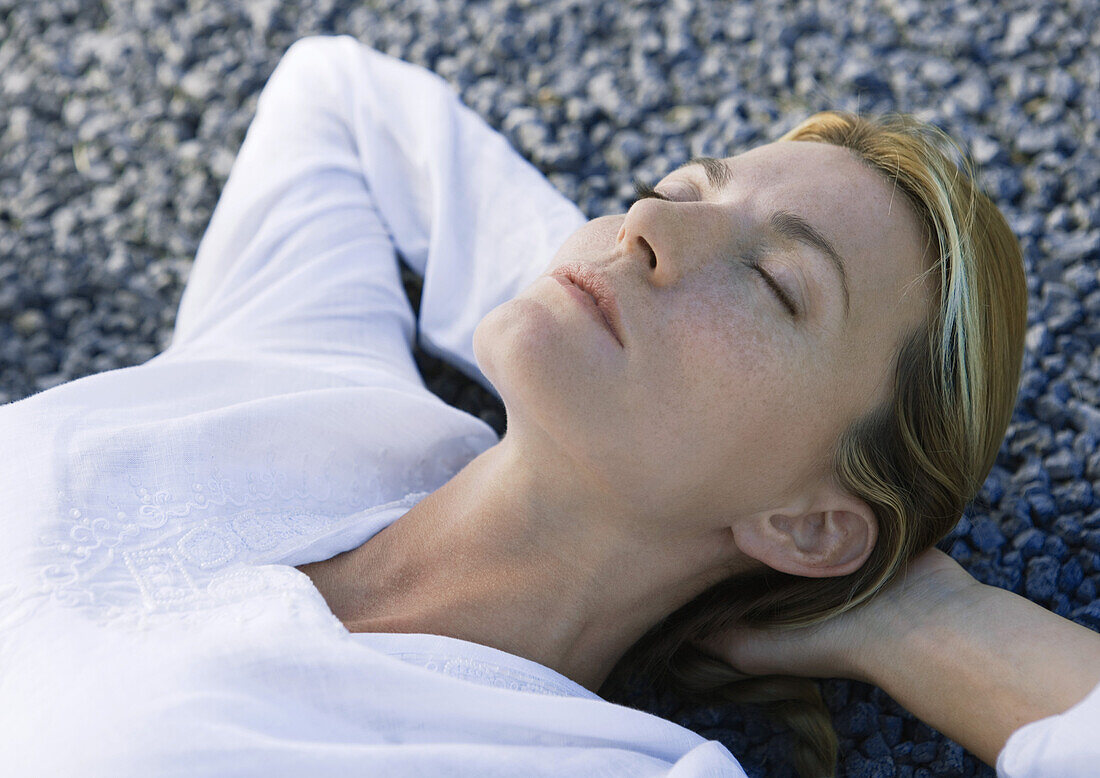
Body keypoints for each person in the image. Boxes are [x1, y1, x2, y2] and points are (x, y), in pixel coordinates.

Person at [0, 31, 1094, 778]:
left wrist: (932, 624)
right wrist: (577, 296)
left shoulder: (583, 761)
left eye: (775, 284)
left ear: (807, 523)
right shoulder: (306, 383)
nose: (644, 223)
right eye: (681, 187)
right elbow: (333, 96)